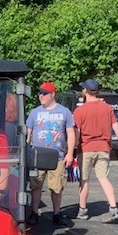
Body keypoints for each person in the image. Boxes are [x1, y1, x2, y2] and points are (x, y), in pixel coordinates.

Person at [73, 79, 118, 223]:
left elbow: (77, 132)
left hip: (86, 149)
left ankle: (82, 211)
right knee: (103, 178)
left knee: (84, 180)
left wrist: (73, 149)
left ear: (85, 91)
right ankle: (114, 209)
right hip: (103, 148)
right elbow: (116, 127)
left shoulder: (80, 110)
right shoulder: (107, 108)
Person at [26, 82, 75, 226]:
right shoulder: (35, 112)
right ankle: (34, 213)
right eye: (39, 93)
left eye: (44, 93)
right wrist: (26, 152)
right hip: (37, 156)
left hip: (57, 156)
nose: (41, 96)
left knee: (57, 187)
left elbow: (71, 133)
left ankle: (56, 214)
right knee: (36, 186)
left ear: (53, 94)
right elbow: (28, 133)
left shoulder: (64, 112)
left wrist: (70, 153)